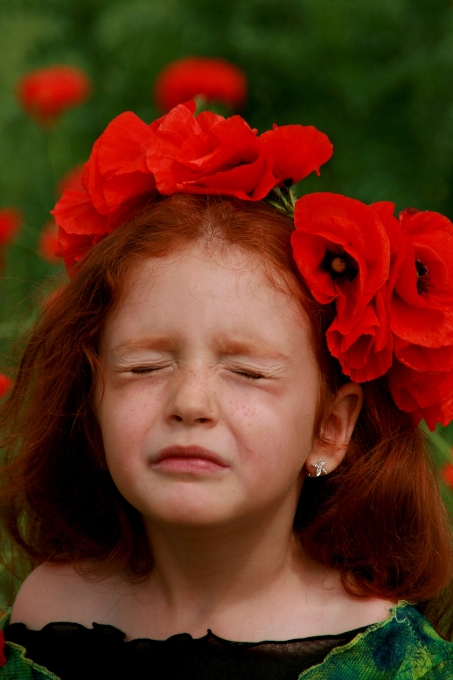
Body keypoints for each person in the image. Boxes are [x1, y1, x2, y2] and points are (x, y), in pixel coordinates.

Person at [0, 102, 452, 679]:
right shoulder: (47, 616)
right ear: (94, 399)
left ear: (330, 428)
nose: (190, 404)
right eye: (144, 367)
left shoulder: (390, 662)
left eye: (248, 372)